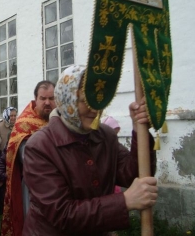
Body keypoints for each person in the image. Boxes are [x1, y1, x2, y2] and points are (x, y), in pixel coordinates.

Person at [22, 65, 157, 235]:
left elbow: (134, 175)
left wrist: (140, 131)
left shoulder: (105, 135)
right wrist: (124, 201)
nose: (95, 108)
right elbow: (63, 214)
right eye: (85, 100)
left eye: (98, 98)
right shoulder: (40, 146)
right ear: (67, 99)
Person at [2, 80, 56, 236]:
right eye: (43, 98)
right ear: (35, 99)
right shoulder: (24, 124)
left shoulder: (62, 119)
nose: (47, 102)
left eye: (51, 98)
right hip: (33, 188)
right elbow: (29, 159)